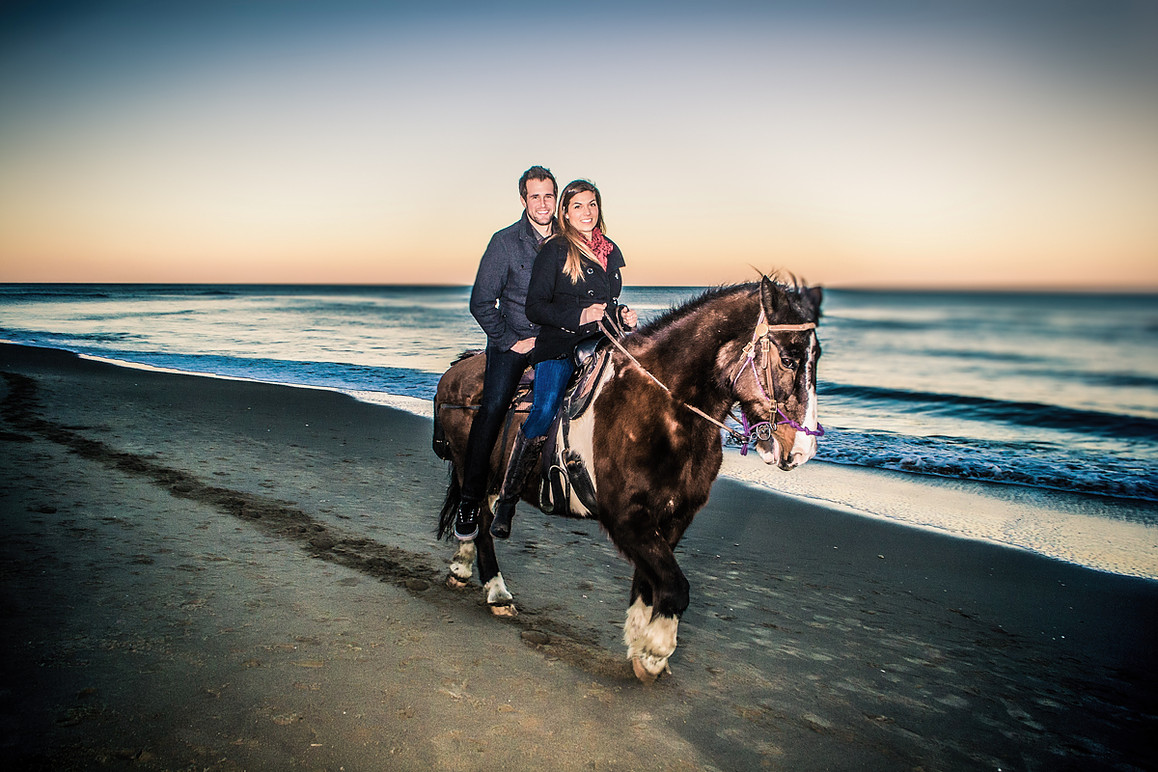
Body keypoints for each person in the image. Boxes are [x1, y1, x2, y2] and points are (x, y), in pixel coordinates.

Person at [491, 179, 637, 534]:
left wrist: (623, 316)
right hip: (559, 344)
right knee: (543, 409)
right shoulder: (555, 250)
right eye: (578, 207)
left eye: (592, 205)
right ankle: (507, 501)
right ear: (565, 213)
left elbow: (608, 303)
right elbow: (536, 307)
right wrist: (579, 316)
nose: (586, 213)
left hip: (603, 341)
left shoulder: (608, 250)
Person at [453, 166, 558, 541]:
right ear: (523, 200)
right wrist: (513, 341)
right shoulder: (505, 242)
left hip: (556, 340)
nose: (543, 204)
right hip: (512, 341)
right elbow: (481, 302)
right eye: (535, 196)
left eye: (549, 196)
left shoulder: (569, 240)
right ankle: (469, 499)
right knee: (493, 407)